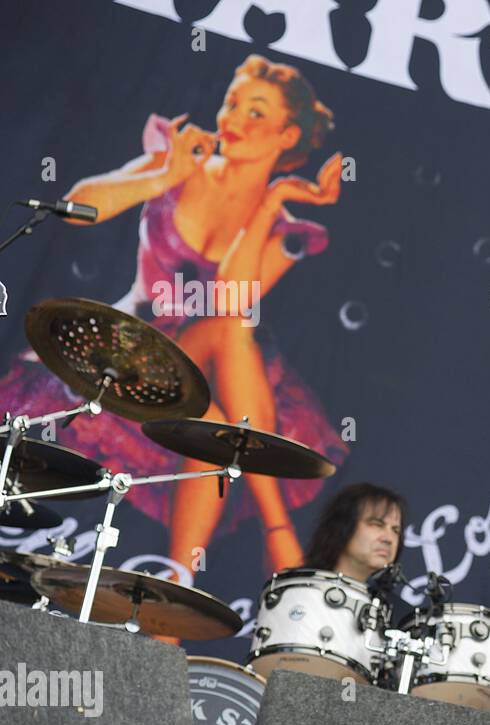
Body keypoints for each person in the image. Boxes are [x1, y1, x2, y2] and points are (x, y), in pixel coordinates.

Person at [0, 54, 347, 583]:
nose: (232, 119)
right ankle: (264, 543)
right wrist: (165, 175)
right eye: (231, 103)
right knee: (213, 426)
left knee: (229, 335)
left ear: (287, 135)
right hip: (132, 343)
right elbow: (75, 207)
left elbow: (230, 300)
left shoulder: (284, 230)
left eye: (255, 112)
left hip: (211, 355)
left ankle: (179, 586)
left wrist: (271, 200)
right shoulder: (182, 157)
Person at [301, 483, 407, 581]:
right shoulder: (299, 588)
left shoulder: (384, 602)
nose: (389, 539)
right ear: (342, 527)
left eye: (395, 530)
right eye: (377, 525)